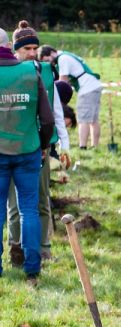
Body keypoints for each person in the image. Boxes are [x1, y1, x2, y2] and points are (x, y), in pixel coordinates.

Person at [6, 21, 70, 265]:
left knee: (41, 201)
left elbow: (54, 110)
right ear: (15, 51)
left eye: (35, 47)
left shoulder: (45, 71)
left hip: (41, 147)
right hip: (12, 149)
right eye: (26, 49)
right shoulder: (8, 74)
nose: (32, 53)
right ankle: (17, 248)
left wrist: (64, 144)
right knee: (15, 205)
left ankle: (43, 247)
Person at [0, 27, 54, 285]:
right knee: (29, 210)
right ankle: (32, 267)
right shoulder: (32, 72)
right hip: (28, 150)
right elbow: (46, 118)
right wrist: (43, 145)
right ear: (9, 46)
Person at [50, 47, 101, 149]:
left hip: (87, 89)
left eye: (47, 59)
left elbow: (63, 81)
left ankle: (83, 147)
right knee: (93, 120)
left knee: (83, 119)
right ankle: (95, 146)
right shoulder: (66, 55)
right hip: (94, 85)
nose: (48, 62)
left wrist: (57, 98)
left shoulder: (62, 59)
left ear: (51, 53)